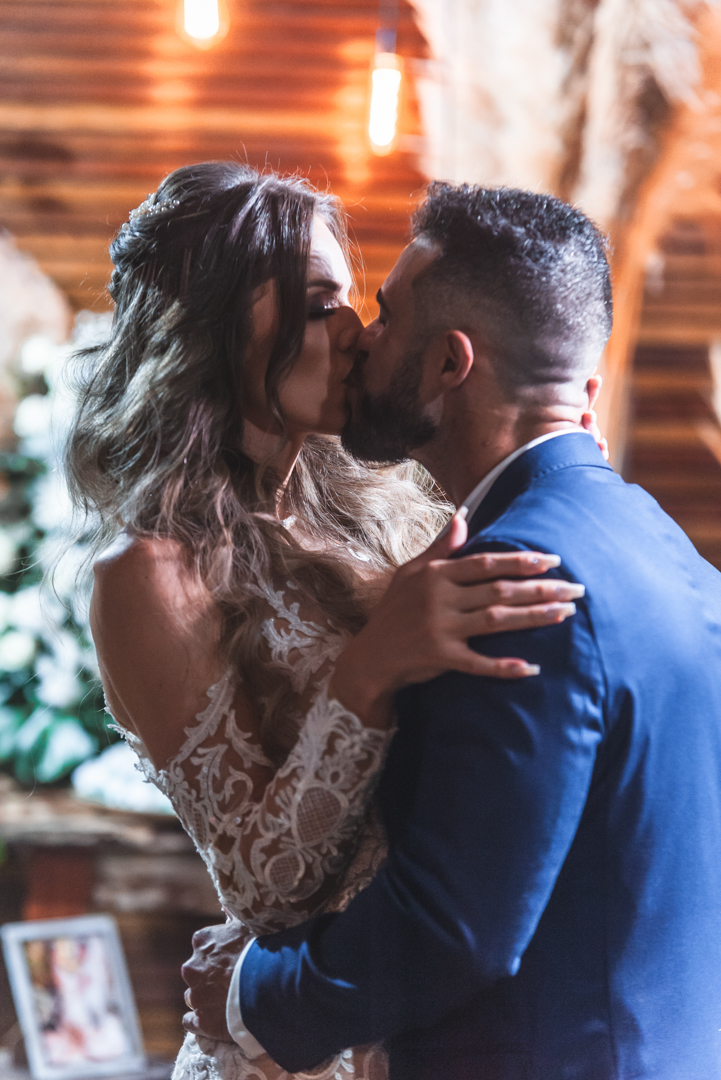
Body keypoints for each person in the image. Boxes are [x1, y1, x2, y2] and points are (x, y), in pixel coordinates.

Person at [183, 184, 721, 1080]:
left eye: (386, 315)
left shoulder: (507, 582)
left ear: (447, 362)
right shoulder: (665, 547)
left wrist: (250, 997)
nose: (363, 338)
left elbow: (455, 925)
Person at [65, 165, 589, 1080]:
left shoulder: (392, 510)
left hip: (430, 1015)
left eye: (349, 300)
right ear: (213, 332)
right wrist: (369, 670)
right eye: (317, 307)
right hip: (294, 1048)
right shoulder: (150, 574)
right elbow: (262, 889)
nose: (354, 333)